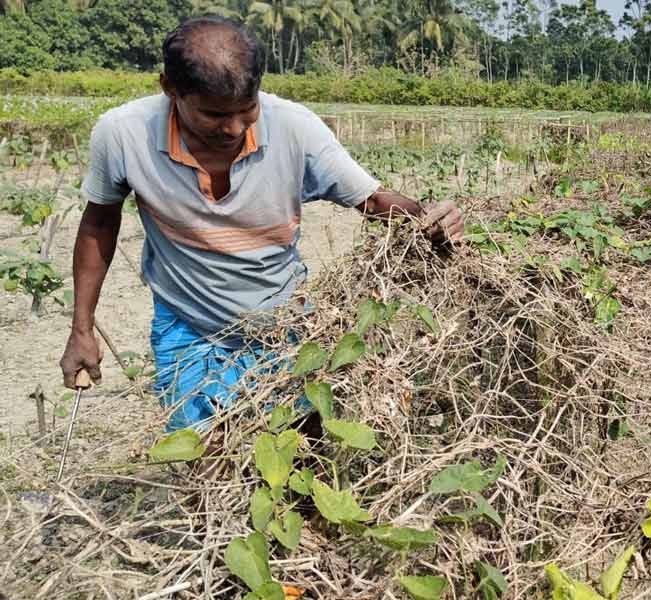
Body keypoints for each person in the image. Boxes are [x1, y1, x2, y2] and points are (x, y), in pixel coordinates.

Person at [58, 16, 464, 431]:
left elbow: (373, 200)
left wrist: (426, 217)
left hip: (283, 327)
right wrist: (81, 328)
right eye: (214, 115)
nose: (233, 128)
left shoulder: (295, 127)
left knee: (297, 456)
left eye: (247, 109)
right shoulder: (123, 134)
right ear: (169, 89)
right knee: (204, 463)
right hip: (186, 327)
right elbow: (99, 225)